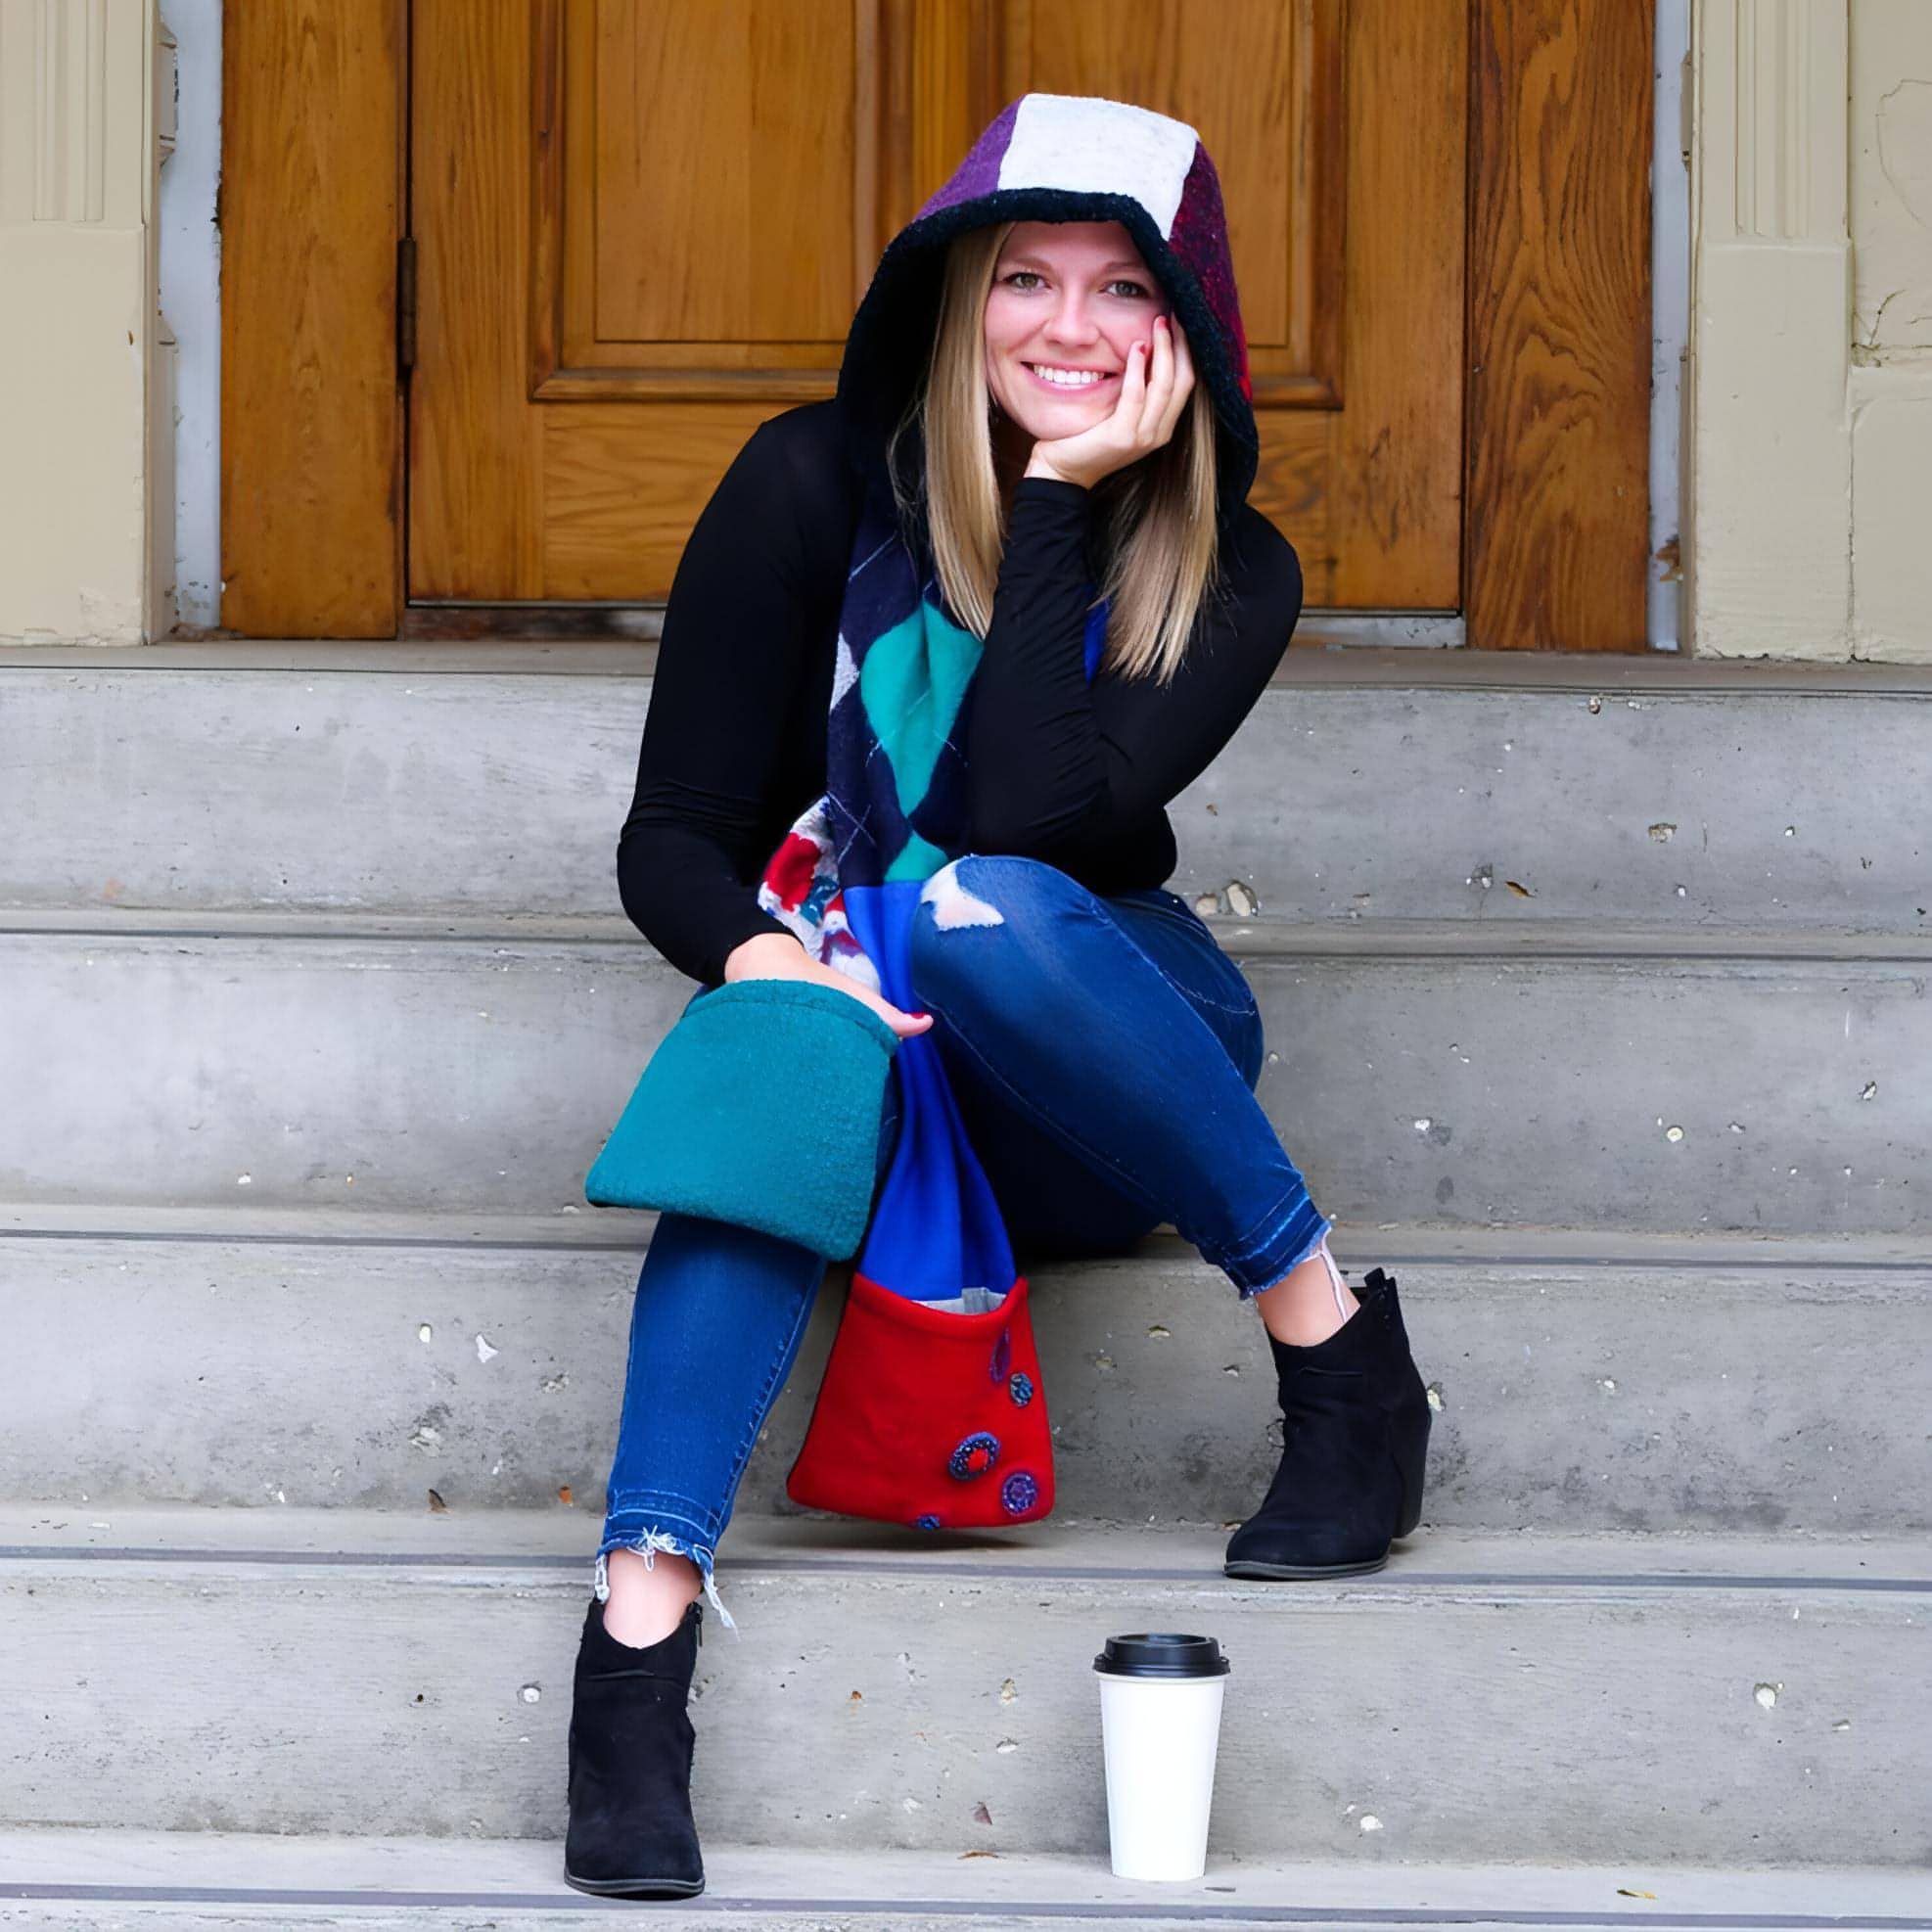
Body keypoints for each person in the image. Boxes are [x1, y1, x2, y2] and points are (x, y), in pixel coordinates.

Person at [564, 93, 1431, 1901]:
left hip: (1103, 1054)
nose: (1064, 325)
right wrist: (775, 965)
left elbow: (1020, 822)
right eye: (1022, 276)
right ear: (958, 304)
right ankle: (636, 1648)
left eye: (1122, 291)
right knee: (783, 1052)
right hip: (869, 1016)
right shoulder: (808, 482)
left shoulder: (1230, 571)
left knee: (964, 905)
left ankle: (1329, 1342)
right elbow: (675, 839)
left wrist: (1053, 510)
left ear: (1182, 337)